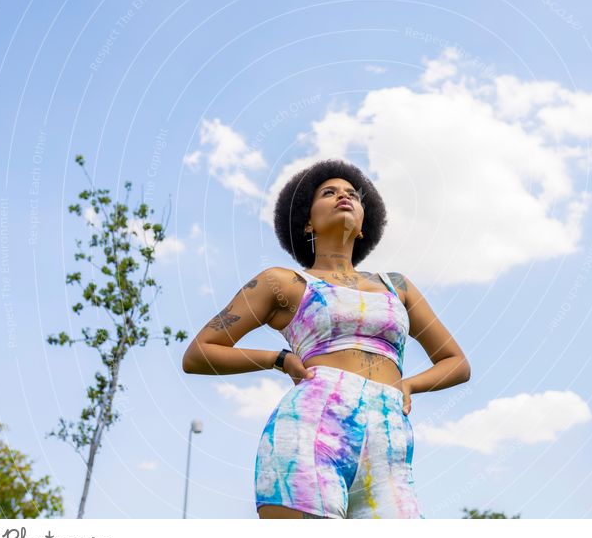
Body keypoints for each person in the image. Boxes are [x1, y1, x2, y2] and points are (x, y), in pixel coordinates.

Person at [182, 158, 471, 518]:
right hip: (310, 432)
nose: (343, 197)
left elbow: (456, 363)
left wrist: (410, 385)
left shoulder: (397, 287)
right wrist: (279, 359)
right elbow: (198, 353)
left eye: (352, 194)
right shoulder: (283, 282)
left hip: (390, 444)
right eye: (328, 192)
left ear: (365, 224)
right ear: (307, 220)